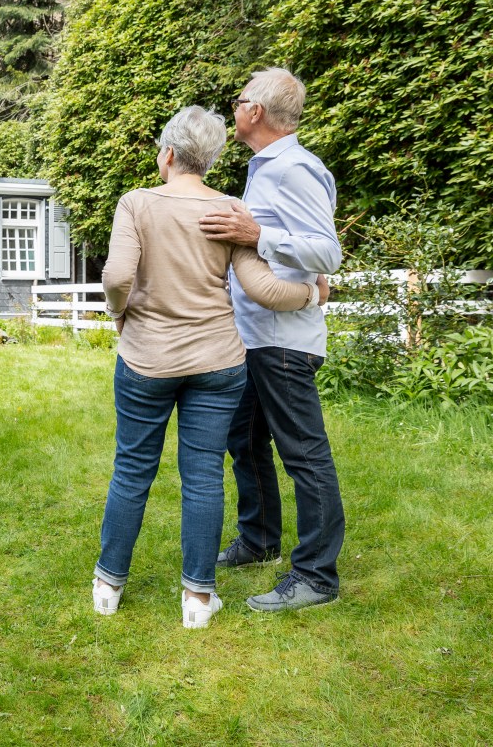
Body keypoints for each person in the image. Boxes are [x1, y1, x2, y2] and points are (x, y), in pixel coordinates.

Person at [93, 106, 327, 629]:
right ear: (210, 158)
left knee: (132, 469)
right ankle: (198, 599)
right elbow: (263, 289)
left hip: (147, 358)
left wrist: (120, 313)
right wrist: (312, 291)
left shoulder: (135, 204)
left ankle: (108, 585)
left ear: (169, 154)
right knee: (202, 476)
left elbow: (115, 275)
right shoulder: (229, 209)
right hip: (219, 363)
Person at [199, 67, 345, 612]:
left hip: (284, 341)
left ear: (255, 111)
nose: (234, 108)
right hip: (254, 337)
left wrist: (258, 234)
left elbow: (326, 252)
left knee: (304, 454)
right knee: (246, 441)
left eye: (238, 101)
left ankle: (316, 576)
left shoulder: (294, 169)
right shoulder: (265, 170)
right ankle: (259, 539)